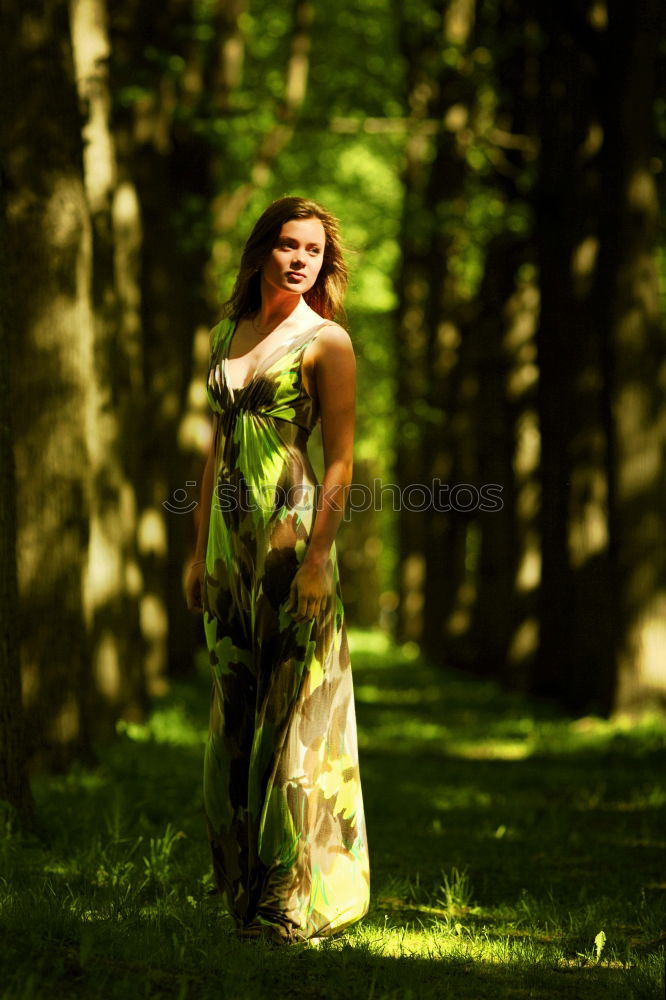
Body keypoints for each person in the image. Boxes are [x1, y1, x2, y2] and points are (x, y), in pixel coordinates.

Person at [185, 196, 370, 944]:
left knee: (290, 719)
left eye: (314, 252)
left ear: (325, 265)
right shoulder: (228, 332)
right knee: (233, 710)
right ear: (263, 249)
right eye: (288, 245)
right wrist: (198, 550)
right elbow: (213, 450)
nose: (300, 259)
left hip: (290, 543)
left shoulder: (328, 342)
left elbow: (342, 461)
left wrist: (321, 557)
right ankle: (236, 885)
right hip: (229, 549)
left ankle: (290, 899)